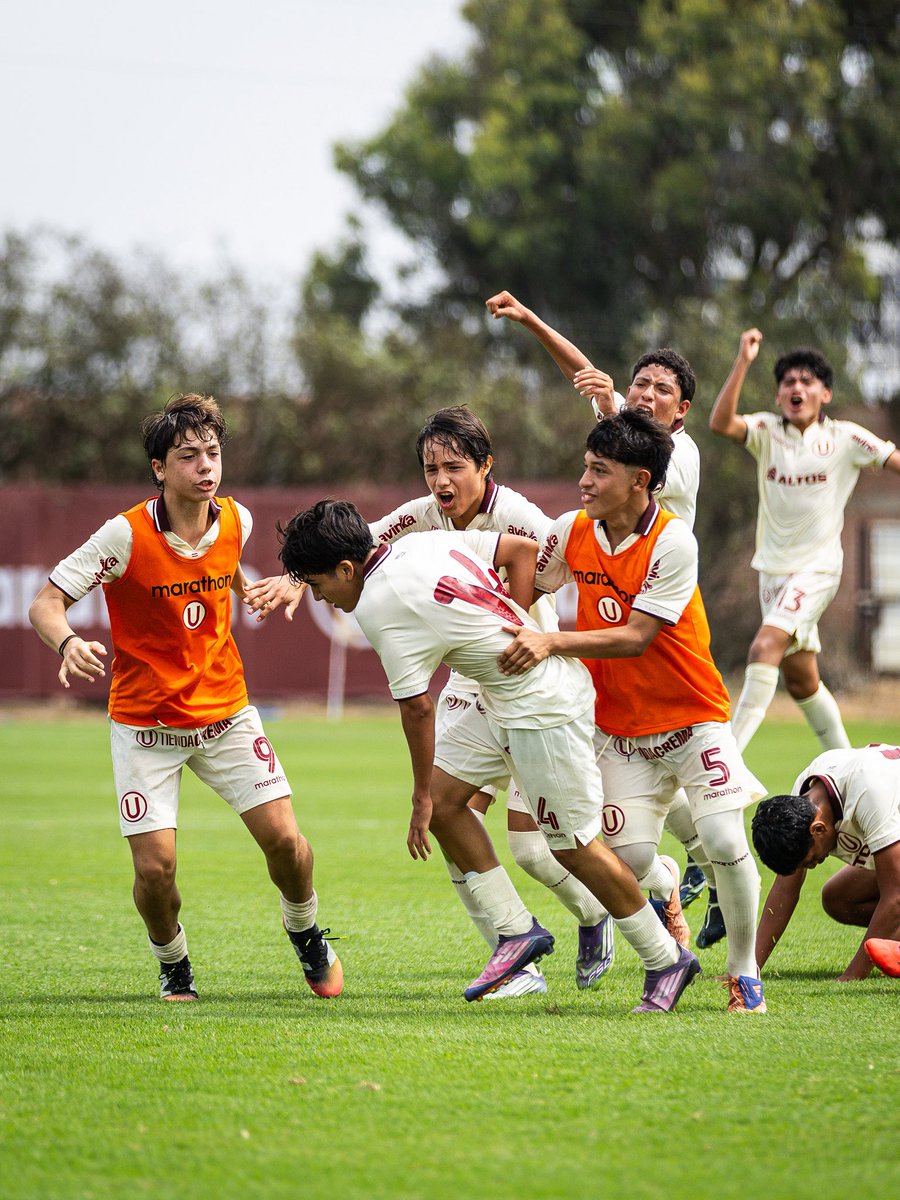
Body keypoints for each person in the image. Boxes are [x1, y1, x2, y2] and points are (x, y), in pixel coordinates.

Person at [246, 406, 616, 999]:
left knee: (534, 848)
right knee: (447, 816)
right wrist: (294, 579)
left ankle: (624, 906)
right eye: (430, 469)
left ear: (484, 465)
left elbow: (551, 561)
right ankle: (516, 958)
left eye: (454, 467)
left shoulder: (518, 515)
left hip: (528, 681)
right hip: (473, 683)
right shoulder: (421, 517)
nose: (441, 482)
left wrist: (521, 623)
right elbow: (356, 548)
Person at [278, 498, 701, 1012]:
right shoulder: (416, 542)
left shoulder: (377, 605)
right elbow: (520, 550)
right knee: (447, 801)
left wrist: (415, 801)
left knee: (571, 846)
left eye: (320, 586)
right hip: (502, 696)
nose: (322, 599)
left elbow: (417, 709)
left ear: (347, 569)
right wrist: (520, 623)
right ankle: (515, 931)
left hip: (542, 708)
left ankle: (665, 960)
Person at [28, 393, 342, 1003]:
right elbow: (44, 602)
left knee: (288, 844)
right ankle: (174, 961)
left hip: (225, 713)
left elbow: (225, 567)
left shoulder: (238, 520)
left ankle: (304, 931)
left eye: (214, 453)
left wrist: (264, 587)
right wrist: (66, 642)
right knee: (155, 871)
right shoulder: (122, 534)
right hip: (145, 725)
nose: (206, 466)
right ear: (158, 468)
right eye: (189, 455)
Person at [499, 409, 767, 1013]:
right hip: (619, 731)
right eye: (584, 468)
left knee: (725, 838)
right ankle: (669, 885)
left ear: (640, 480)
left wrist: (550, 641)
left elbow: (636, 635)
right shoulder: (571, 530)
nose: (584, 482)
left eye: (598, 471)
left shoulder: (673, 539)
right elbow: (528, 588)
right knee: (627, 863)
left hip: (695, 720)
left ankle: (743, 974)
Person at [485, 289, 722, 940]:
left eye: (661, 388)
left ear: (684, 409)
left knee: (656, 771)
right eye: (640, 383)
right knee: (631, 792)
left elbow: (617, 431)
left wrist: (606, 398)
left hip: (657, 629)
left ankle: (705, 874)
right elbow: (584, 374)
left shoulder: (680, 456)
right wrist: (532, 319)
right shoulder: (627, 437)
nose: (646, 393)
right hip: (608, 633)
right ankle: (680, 881)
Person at [709, 329, 900, 755]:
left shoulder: (847, 437)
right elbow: (721, 423)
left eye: (806, 380)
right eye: (788, 382)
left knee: (764, 644)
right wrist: (743, 360)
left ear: (825, 393)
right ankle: (851, 768)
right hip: (772, 572)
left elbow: (893, 461)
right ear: (779, 396)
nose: (797, 387)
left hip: (817, 569)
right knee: (801, 682)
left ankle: (727, 763)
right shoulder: (765, 431)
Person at [752, 743, 900, 982]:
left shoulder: (869, 791)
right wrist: (750, 968)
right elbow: (784, 890)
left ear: (818, 829)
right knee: (839, 897)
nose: (812, 866)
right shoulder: (804, 797)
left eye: (809, 860)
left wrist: (853, 975)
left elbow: (896, 895)